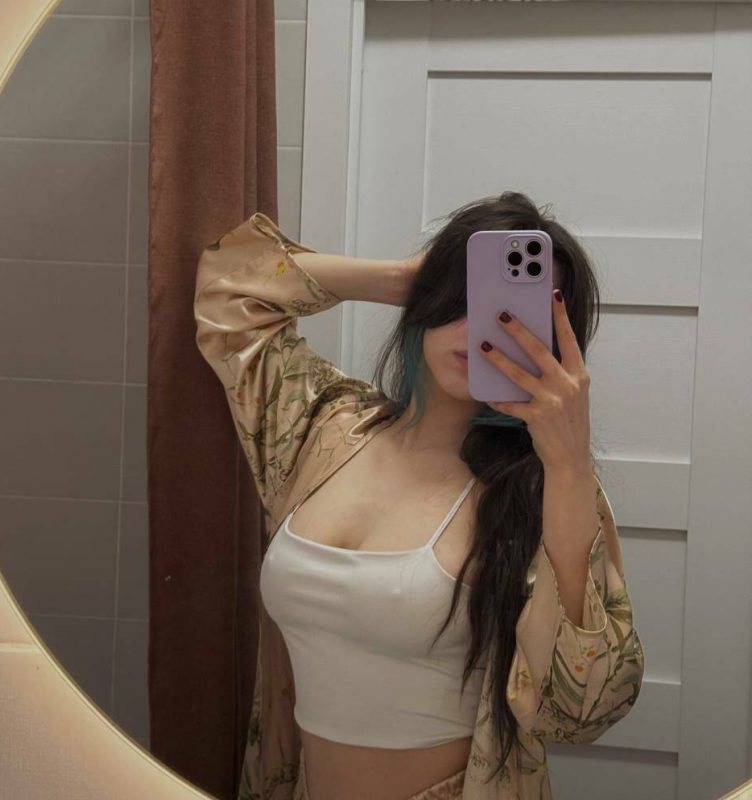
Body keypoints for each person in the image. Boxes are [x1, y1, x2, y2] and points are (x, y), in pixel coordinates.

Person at [193, 192, 644, 800]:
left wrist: (568, 462)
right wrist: (401, 280)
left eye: (513, 313)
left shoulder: (545, 491)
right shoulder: (324, 428)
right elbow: (228, 290)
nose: (480, 327)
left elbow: (585, 710)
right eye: (465, 297)